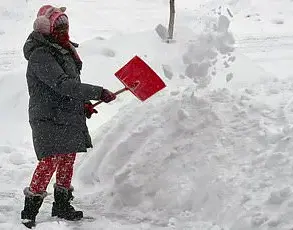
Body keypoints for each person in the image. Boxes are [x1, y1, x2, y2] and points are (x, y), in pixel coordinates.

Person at [21, 5, 116, 228]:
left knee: (67, 160)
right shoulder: (41, 54)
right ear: (46, 28)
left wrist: (83, 104)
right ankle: (29, 211)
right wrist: (97, 92)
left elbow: (68, 86)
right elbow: (62, 84)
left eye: (66, 25)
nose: (64, 30)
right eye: (59, 26)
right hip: (47, 116)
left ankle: (62, 206)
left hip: (65, 114)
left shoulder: (63, 49)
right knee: (50, 161)